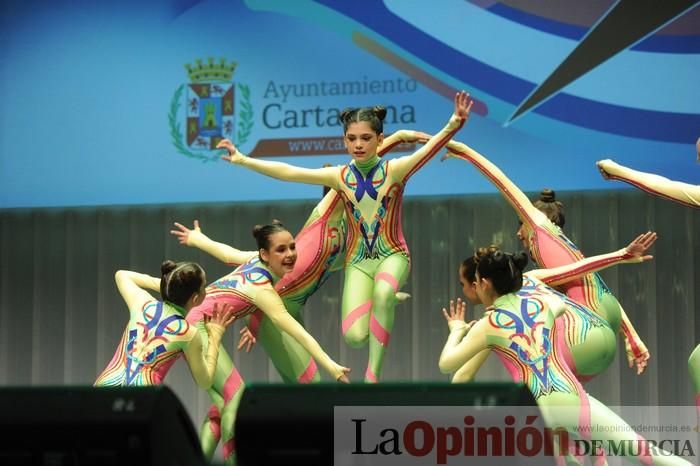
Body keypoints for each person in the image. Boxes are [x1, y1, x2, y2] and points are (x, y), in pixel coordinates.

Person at [217, 91, 473, 382]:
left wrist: (454, 123)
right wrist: (243, 160)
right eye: (352, 139)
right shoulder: (339, 177)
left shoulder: (396, 169)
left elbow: (426, 152)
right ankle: (382, 305)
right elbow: (289, 172)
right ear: (344, 141)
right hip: (359, 261)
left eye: (365, 138)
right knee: (354, 337)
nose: (358, 144)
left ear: (379, 139)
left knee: (384, 292)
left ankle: (372, 375)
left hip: (392, 255)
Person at [439, 250, 691, 465]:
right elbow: (571, 283)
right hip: (575, 401)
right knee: (649, 456)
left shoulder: (487, 325)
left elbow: (447, 364)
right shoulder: (545, 303)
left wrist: (457, 330)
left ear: (483, 283)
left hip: (536, 414)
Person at [442, 141, 650, 375]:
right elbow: (593, 281)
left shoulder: (538, 228)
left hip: (585, 331)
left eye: (520, 225)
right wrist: (631, 334)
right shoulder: (561, 249)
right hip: (602, 321)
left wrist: (466, 152)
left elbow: (503, 183)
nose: (518, 234)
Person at [175, 221, 350, 465]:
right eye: (281, 250)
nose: (290, 254)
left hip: (194, 327)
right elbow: (296, 331)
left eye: (291, 247)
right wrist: (330, 365)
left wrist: (197, 239)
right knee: (236, 399)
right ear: (265, 254)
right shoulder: (262, 289)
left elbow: (226, 253)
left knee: (222, 406)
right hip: (199, 331)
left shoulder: (255, 261)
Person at [450, 232, 656, 383]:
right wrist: (620, 255)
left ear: (480, 284)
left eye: (463, 284)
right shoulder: (530, 278)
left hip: (574, 349)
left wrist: (457, 331)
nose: (464, 290)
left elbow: (462, 375)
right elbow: (579, 269)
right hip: (602, 334)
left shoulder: (495, 321)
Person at [95, 261, 236, 387]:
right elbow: (205, 381)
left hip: (105, 386)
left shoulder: (142, 303)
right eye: (204, 286)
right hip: (140, 399)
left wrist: (169, 286)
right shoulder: (188, 333)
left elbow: (122, 275)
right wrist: (215, 336)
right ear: (195, 298)